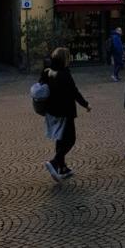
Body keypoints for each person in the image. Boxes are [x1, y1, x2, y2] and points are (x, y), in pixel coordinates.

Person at [40, 46, 91, 181]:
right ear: (65, 59)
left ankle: (62, 168)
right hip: (65, 111)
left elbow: (41, 86)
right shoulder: (64, 73)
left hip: (51, 111)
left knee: (60, 138)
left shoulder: (46, 71)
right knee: (70, 139)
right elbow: (74, 92)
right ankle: (54, 162)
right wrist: (85, 104)